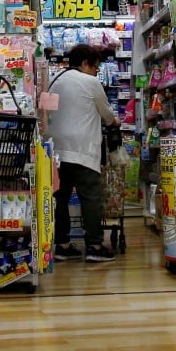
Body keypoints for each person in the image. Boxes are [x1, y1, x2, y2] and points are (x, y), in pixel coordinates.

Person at [47, 44, 120, 263]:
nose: (96, 71)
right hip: (83, 150)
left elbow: (46, 112)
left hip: (56, 150)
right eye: (95, 67)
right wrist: (114, 121)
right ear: (86, 63)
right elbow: (107, 115)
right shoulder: (91, 82)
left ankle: (61, 245)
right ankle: (95, 246)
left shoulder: (54, 81)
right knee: (90, 198)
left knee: (60, 198)